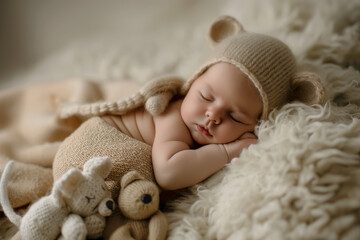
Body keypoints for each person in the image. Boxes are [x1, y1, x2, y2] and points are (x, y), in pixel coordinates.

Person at [55, 16, 324, 191]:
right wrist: (227, 152)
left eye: (236, 117)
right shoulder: (171, 115)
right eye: (206, 96)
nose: (213, 116)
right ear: (192, 83)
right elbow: (169, 174)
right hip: (95, 150)